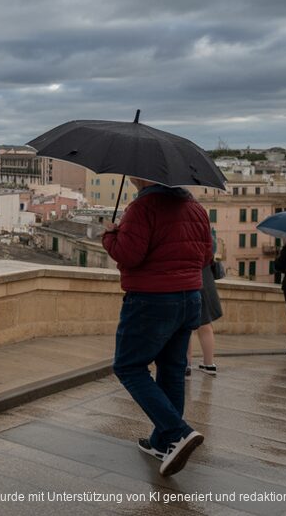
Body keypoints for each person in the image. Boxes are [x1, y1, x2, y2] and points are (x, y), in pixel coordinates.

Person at [103, 177, 213, 477]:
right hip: (190, 297)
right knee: (172, 369)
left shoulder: (142, 207)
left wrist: (110, 236)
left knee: (129, 367)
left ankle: (178, 432)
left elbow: (129, 255)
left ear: (142, 177)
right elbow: (206, 256)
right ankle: (162, 443)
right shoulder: (196, 207)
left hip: (151, 299)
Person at [187, 233, 224, 376]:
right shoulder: (202, 222)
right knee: (206, 324)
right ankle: (209, 364)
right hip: (205, 276)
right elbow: (212, 248)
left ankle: (186, 364)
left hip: (188, 275)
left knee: (185, 326)